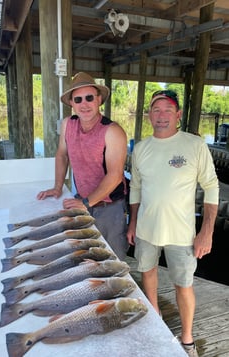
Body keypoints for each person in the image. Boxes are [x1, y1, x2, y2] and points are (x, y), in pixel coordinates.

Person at [127, 90, 219, 357]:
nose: (162, 115)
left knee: (183, 284)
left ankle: (187, 339)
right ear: (148, 115)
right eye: (156, 110)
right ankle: (155, 321)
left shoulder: (194, 145)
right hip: (146, 228)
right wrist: (132, 223)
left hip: (182, 233)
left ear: (178, 114)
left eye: (168, 110)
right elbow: (135, 188)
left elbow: (211, 186)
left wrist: (207, 231)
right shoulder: (141, 148)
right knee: (148, 273)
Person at [37, 72, 129, 260]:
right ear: (71, 103)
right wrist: (57, 187)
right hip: (83, 200)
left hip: (109, 206)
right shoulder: (67, 125)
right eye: (78, 99)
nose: (84, 104)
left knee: (112, 258)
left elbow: (115, 174)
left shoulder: (113, 131)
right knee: (85, 255)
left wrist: (86, 203)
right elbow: (62, 155)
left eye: (89, 98)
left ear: (99, 100)